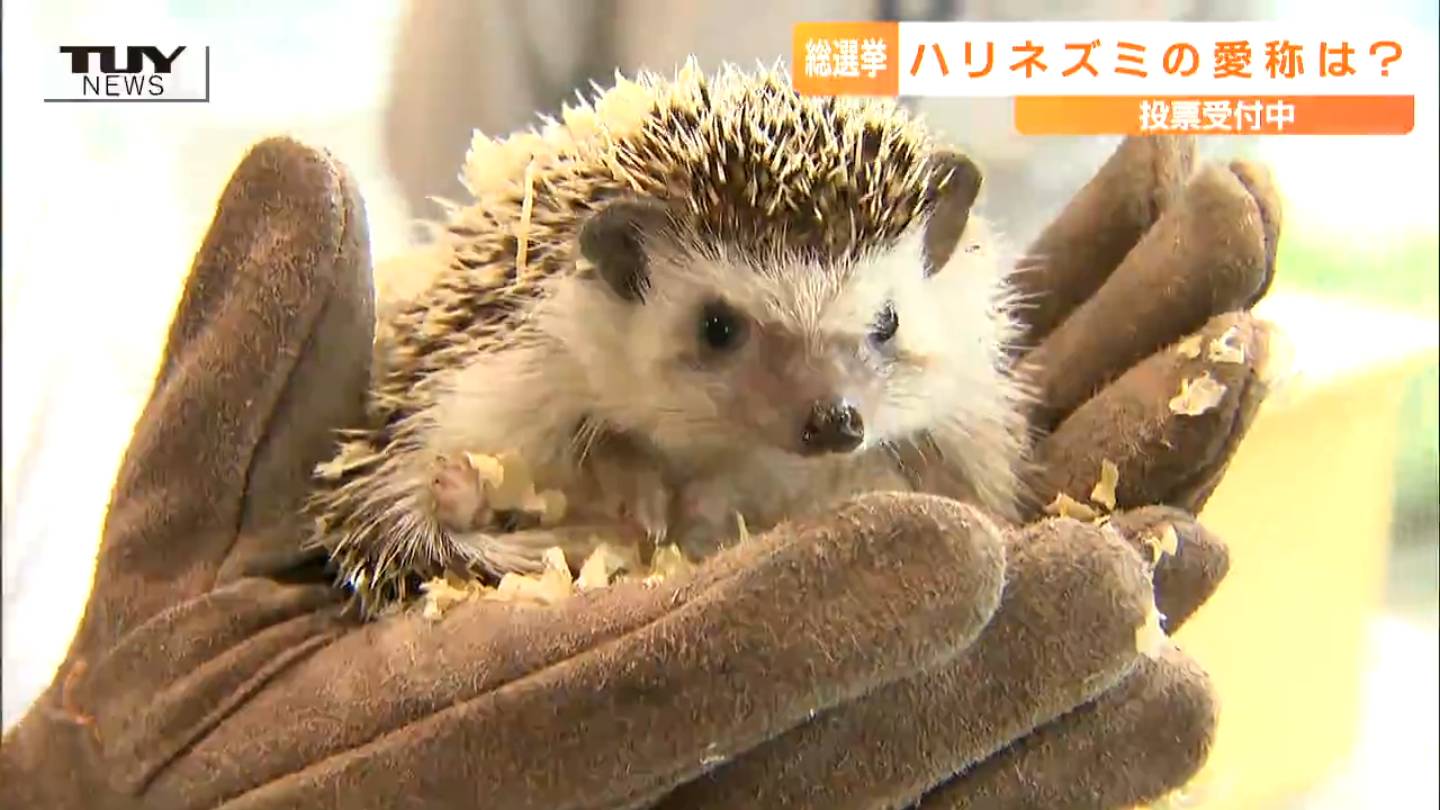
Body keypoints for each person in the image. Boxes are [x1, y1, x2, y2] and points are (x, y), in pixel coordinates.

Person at [0, 127, 1280, 807]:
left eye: (876, 338)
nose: (831, 406)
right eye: (725, 333)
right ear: (616, 281)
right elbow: (402, 524)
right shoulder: (523, 370)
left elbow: (982, 497)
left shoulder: (952, 398)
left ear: (936, 262)